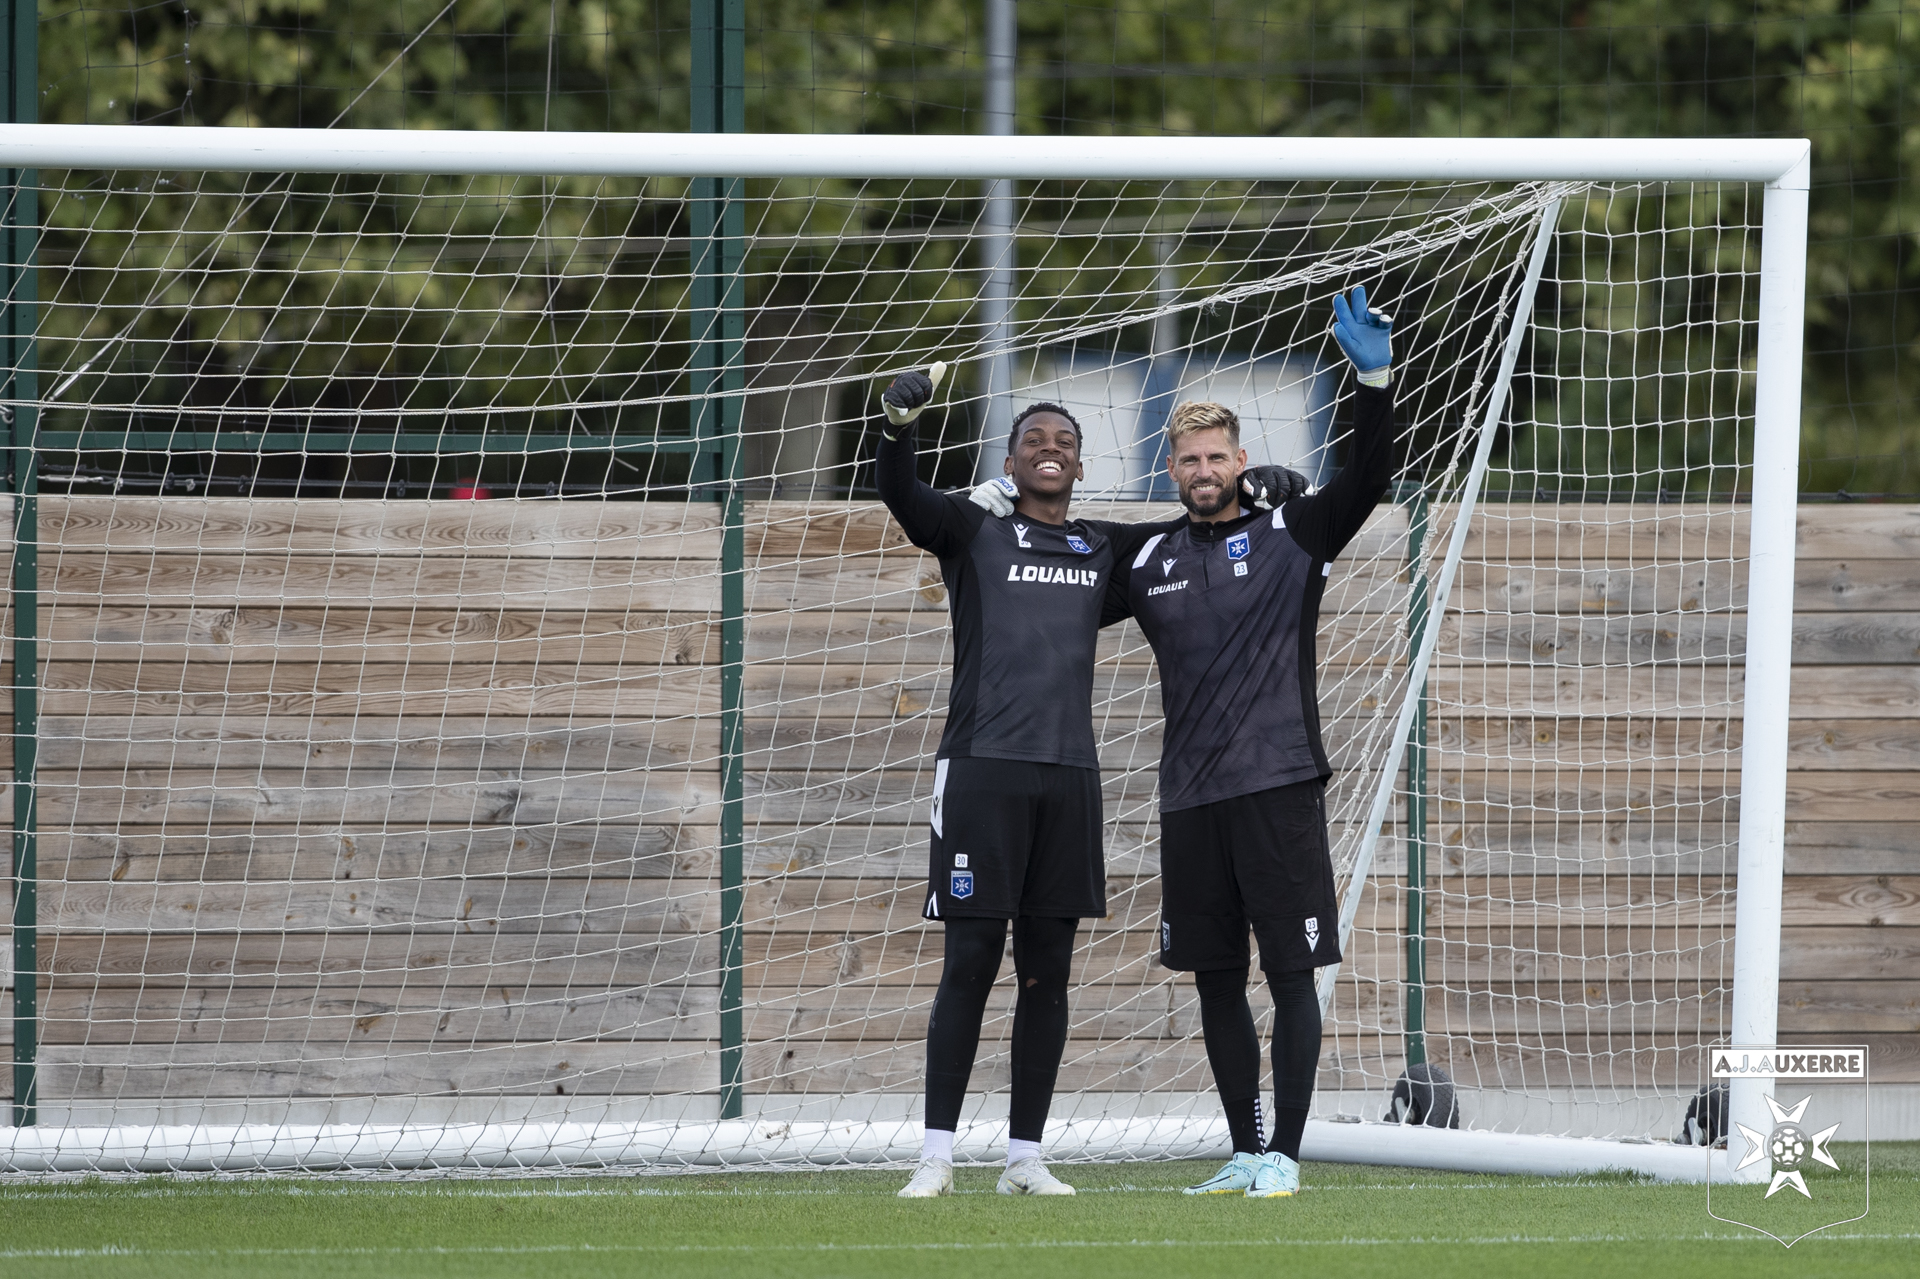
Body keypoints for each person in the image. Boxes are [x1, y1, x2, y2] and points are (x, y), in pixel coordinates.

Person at [874, 364, 1304, 1198]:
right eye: (1033, 439)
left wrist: (1268, 489)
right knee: (970, 958)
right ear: (1010, 459)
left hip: (1070, 780)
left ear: (1081, 467)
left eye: (1064, 443)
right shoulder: (971, 530)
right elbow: (903, 495)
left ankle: (1026, 1157)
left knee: (1048, 971)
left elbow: (1198, 528)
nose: (1050, 450)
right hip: (982, 773)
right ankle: (935, 1156)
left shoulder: (1104, 548)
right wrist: (897, 424)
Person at [1106, 286, 1397, 1200]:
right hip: (1191, 798)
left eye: (1216, 454)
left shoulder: (1292, 531)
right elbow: (1054, 571)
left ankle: (1287, 1158)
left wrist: (1372, 379)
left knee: (1292, 973)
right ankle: (1244, 1146)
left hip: (1278, 788)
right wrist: (988, 513)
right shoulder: (1145, 558)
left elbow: (1368, 480)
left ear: (1241, 458)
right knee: (1216, 980)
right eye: (1187, 456)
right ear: (1171, 466)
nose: (1202, 468)